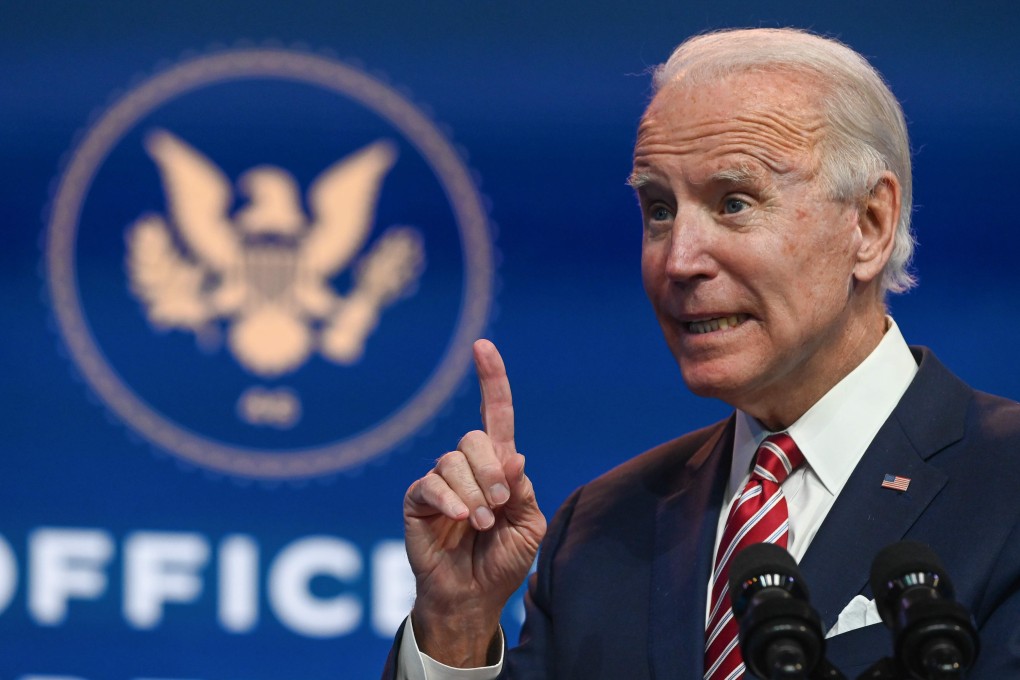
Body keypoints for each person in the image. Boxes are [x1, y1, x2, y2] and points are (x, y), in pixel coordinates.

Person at [383, 27, 1020, 679]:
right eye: (658, 210)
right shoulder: (599, 529)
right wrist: (458, 625)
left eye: (734, 203)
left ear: (869, 225)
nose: (679, 259)